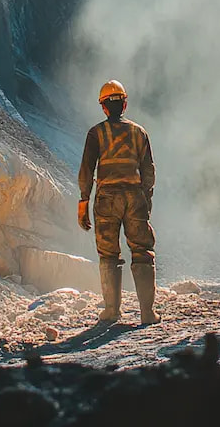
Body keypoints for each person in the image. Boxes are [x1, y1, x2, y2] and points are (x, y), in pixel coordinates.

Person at [77, 79, 160, 325]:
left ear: (103, 107)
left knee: (108, 254)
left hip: (106, 199)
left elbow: (86, 170)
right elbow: (149, 171)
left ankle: (111, 311)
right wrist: (146, 199)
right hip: (134, 197)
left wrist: (83, 202)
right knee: (142, 251)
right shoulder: (139, 132)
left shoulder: (96, 133)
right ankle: (147, 313)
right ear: (124, 104)